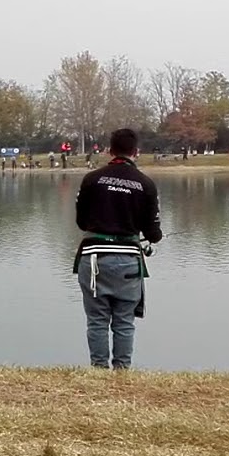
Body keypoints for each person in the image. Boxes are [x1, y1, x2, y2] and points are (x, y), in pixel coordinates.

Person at [71, 128, 163, 370]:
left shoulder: (91, 179)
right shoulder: (146, 184)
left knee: (97, 321)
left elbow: (81, 222)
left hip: (92, 259)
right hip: (128, 261)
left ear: (110, 150)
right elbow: (154, 234)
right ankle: (122, 371)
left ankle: (99, 370)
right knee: (124, 322)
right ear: (136, 152)